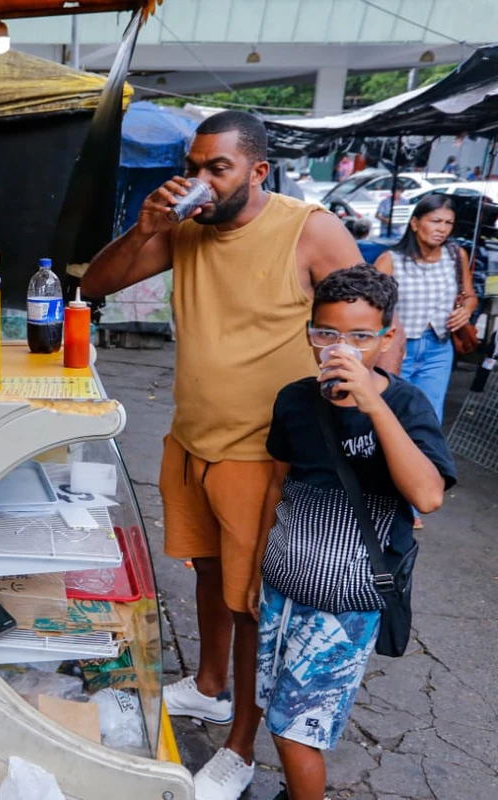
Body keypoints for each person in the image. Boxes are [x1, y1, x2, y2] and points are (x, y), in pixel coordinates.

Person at [81, 110, 395, 800]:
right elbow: (94, 286)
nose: (199, 180)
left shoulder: (307, 228)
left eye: (215, 167)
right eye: (193, 166)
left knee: (253, 605)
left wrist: (371, 431)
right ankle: (213, 685)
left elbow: (377, 327)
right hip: (193, 439)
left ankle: (242, 748)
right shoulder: (186, 229)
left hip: (266, 456)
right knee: (207, 571)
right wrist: (143, 229)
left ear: (257, 171)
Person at [250, 265, 455, 800]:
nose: (341, 348)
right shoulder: (295, 399)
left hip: (346, 602)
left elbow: (428, 496)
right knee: (275, 708)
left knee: (295, 731)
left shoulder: (406, 405)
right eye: (327, 333)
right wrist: (256, 573)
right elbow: (277, 487)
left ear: (387, 337)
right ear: (310, 331)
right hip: (282, 588)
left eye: (361, 337)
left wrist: (372, 403)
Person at [374, 194, 476, 527]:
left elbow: (470, 294)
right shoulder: (391, 260)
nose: (442, 229)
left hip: (437, 349)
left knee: (426, 422)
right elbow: (370, 306)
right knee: (388, 419)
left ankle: (411, 507)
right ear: (416, 223)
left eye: (448, 223)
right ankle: (378, 498)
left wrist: (467, 310)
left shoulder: (454, 255)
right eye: (435, 221)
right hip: (398, 350)